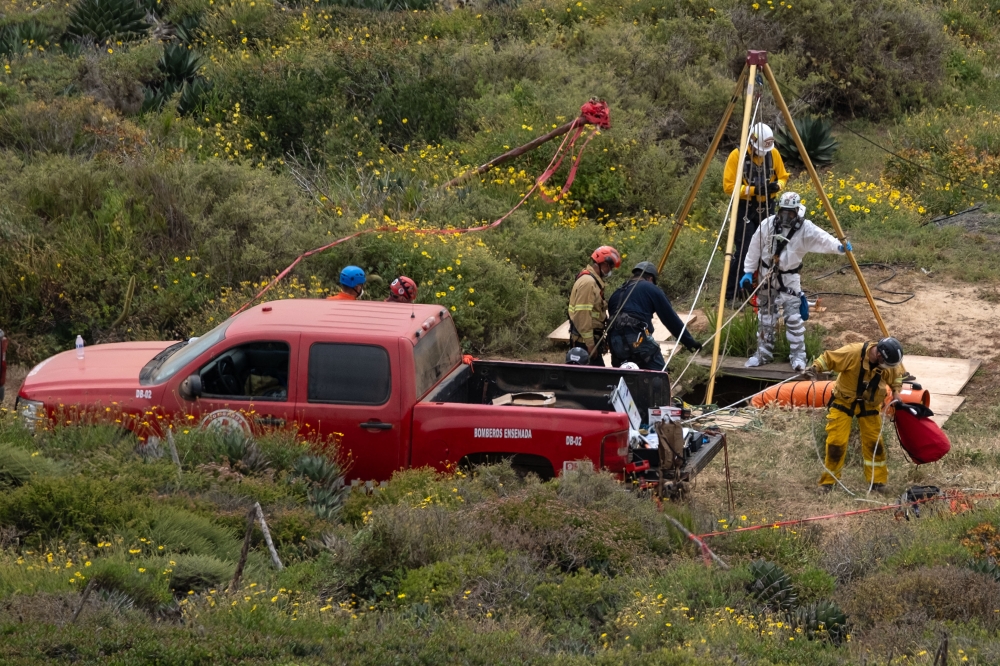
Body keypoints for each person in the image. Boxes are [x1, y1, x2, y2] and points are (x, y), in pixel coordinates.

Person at [740, 191, 850, 371]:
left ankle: (798, 356)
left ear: (797, 211)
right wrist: (748, 272)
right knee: (765, 319)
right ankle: (763, 354)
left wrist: (838, 246)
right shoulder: (767, 224)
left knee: (793, 318)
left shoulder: (806, 228)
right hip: (766, 276)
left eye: (790, 213)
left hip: (789, 279)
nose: (785, 216)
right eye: (783, 212)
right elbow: (754, 248)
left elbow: (822, 238)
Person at [803, 337, 905, 494]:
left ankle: (877, 482)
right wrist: (815, 368)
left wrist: (897, 391)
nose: (889, 367)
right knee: (836, 443)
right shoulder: (852, 353)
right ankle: (828, 483)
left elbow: (896, 374)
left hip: (869, 404)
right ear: (879, 356)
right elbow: (828, 358)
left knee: (874, 443)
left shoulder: (888, 363)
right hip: (843, 401)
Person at [723, 123, 789, 300]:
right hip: (746, 210)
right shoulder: (737, 156)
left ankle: (762, 289)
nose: (762, 153)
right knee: (744, 251)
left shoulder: (772, 154)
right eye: (760, 149)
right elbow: (728, 186)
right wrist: (752, 190)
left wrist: (778, 186)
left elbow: (783, 176)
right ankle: (732, 294)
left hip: (767, 208)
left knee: (768, 250)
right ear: (751, 143)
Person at [606, 261, 701, 370]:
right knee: (658, 377)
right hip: (637, 339)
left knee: (624, 379)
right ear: (650, 278)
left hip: (614, 342)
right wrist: (689, 342)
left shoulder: (617, 292)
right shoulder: (650, 288)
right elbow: (670, 319)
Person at [567, 245, 621, 366]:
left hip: (589, 341)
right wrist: (590, 344)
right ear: (605, 264)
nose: (610, 271)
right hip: (584, 343)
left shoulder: (594, 282)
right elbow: (582, 315)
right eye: (610, 267)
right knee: (596, 381)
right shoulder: (588, 283)